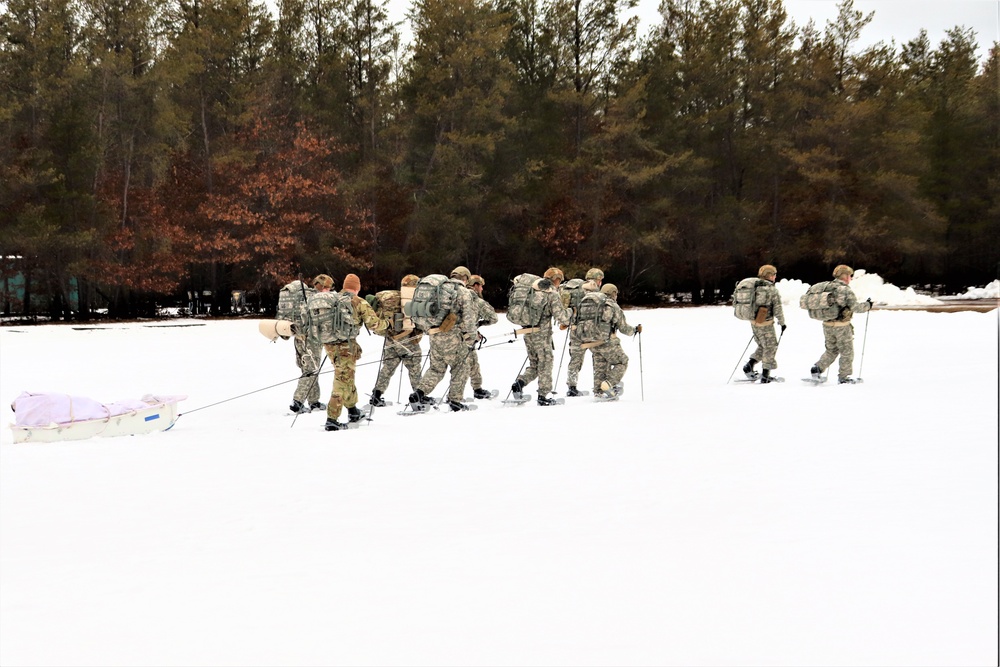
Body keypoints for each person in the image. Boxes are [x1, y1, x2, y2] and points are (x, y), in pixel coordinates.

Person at [308, 273, 390, 431]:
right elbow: (374, 325)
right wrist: (387, 323)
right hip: (345, 346)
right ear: (357, 288)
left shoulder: (334, 298)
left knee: (347, 376)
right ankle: (332, 419)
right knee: (342, 380)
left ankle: (353, 411)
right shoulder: (358, 302)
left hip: (329, 344)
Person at [408, 267, 478, 412]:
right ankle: (455, 400)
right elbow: (469, 320)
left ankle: (418, 393)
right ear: (465, 278)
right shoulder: (463, 292)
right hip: (453, 337)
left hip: (434, 336)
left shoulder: (441, 289)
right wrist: (471, 338)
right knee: (460, 367)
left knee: (436, 369)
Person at [511, 267, 572, 406]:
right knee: (545, 364)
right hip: (542, 336)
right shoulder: (551, 293)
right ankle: (543, 396)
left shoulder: (532, 290)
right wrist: (570, 312)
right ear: (556, 279)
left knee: (535, 365)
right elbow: (562, 317)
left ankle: (519, 384)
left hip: (528, 333)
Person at [810, 265, 872, 384]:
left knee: (831, 350)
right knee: (847, 351)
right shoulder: (845, 290)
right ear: (846, 276)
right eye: (850, 276)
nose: (851, 278)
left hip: (827, 325)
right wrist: (868, 305)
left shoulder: (826, 287)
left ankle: (817, 368)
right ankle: (844, 377)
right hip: (842, 327)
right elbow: (855, 307)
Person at [369, 274, 424, 407]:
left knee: (387, 367)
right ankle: (419, 396)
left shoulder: (393, 297)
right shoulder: (411, 300)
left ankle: (376, 394)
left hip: (390, 338)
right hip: (406, 338)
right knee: (414, 365)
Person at [284, 274, 332, 413]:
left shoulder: (304, 296)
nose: (328, 290)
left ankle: (314, 401)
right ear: (322, 286)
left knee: (311, 368)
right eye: (327, 287)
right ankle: (297, 401)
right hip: (311, 340)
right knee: (310, 370)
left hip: (299, 338)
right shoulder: (316, 299)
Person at [587, 283, 640, 398]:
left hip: (591, 341)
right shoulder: (613, 306)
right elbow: (624, 328)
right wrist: (635, 330)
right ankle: (608, 384)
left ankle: (598, 391)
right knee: (622, 361)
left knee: (600, 366)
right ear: (613, 293)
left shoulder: (593, 304)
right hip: (607, 341)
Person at [741, 264, 786, 384]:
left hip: (754, 322)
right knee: (770, 347)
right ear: (770, 275)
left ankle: (749, 365)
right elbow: (777, 308)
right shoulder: (771, 289)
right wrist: (782, 323)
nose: (775, 277)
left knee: (762, 346)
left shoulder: (754, 287)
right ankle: (766, 375)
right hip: (766, 323)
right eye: (774, 274)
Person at [562, 267, 603, 396]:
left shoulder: (576, 289)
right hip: (592, 331)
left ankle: (572, 387)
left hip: (575, 330)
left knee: (575, 358)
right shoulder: (595, 291)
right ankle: (600, 386)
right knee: (599, 357)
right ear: (598, 280)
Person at [466, 274, 498, 399]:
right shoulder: (477, 301)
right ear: (475, 285)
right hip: (466, 339)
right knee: (463, 366)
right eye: (481, 286)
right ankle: (454, 396)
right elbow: (493, 318)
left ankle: (478, 388)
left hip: (451, 336)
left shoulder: (456, 296)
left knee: (473, 362)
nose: (482, 289)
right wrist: (480, 323)